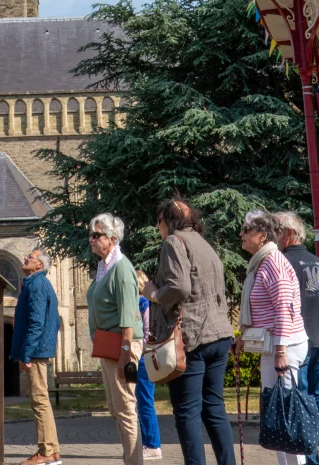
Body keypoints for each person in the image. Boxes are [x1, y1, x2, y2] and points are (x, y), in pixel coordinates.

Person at [142, 197, 236, 465]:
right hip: (219, 335)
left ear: (169, 220)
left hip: (192, 338)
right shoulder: (204, 243)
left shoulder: (174, 242)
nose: (157, 226)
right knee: (214, 408)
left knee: (187, 412)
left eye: (159, 221)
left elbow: (179, 287)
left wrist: (154, 293)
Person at [237, 210, 308, 465]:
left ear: (262, 235)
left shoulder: (274, 263)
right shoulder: (261, 262)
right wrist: (243, 337)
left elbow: (284, 309)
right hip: (273, 348)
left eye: (246, 230)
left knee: (286, 415)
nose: (241, 234)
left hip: (284, 348)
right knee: (277, 415)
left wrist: (280, 352)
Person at [275, 211, 319, 465]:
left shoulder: (283, 264)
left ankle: (310, 459)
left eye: (277, 230)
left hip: (299, 342)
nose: (274, 236)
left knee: (302, 401)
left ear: (290, 233)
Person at [87, 213, 144, 465]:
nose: (91, 239)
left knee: (125, 408)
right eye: (90, 234)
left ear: (112, 238)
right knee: (115, 407)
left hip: (122, 346)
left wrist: (125, 354)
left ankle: (134, 461)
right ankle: (129, 459)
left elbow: (128, 314)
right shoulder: (104, 266)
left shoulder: (121, 268)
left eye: (96, 235)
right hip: (107, 345)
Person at [10, 248, 62, 465]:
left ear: (40, 265)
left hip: (37, 352)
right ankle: (52, 451)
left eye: (29, 257)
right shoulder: (36, 284)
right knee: (41, 401)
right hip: (39, 350)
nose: (25, 258)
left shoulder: (38, 285)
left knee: (39, 401)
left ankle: (46, 452)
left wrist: (27, 354)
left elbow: (37, 323)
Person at [136, 269, 162, 460]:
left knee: (145, 401)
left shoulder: (143, 303)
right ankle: (146, 442)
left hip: (143, 358)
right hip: (139, 357)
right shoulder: (141, 303)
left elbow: (147, 333)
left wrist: (138, 348)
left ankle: (152, 445)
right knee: (139, 401)